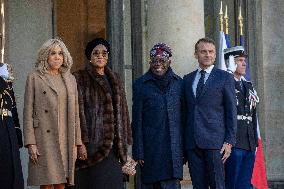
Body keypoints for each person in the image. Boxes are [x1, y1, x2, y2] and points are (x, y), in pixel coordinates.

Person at [70, 38, 132, 189]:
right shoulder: (79, 78)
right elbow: (77, 113)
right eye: (96, 53)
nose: (100, 56)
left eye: (104, 53)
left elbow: (123, 111)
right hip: (92, 146)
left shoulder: (115, 79)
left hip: (114, 148)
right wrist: (81, 143)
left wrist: (126, 141)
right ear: (89, 56)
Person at [23, 38, 83, 189]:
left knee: (61, 182)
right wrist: (31, 143)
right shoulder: (35, 77)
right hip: (43, 137)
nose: (57, 57)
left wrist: (77, 143)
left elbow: (76, 114)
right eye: (53, 53)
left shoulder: (70, 79)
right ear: (45, 56)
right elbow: (27, 111)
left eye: (60, 53)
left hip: (65, 137)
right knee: (47, 182)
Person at [183, 37, 237, 189]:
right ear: (196, 54)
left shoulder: (225, 77)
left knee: (217, 185)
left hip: (216, 143)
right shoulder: (187, 79)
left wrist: (229, 141)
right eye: (203, 52)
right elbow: (185, 113)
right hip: (193, 143)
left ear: (215, 55)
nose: (207, 55)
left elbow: (231, 111)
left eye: (211, 52)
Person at [132, 43, 184, 189]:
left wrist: (184, 150)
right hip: (150, 152)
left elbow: (184, 120)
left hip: (173, 153)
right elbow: (137, 121)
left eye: (162, 60)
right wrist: (139, 152)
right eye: (154, 61)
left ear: (169, 62)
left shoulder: (179, 83)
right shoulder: (141, 84)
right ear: (150, 62)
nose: (158, 64)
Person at [224, 46, 259, 189]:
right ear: (230, 63)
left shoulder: (248, 85)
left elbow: (253, 114)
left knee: (245, 184)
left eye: (244, 60)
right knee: (231, 183)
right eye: (239, 60)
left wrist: (255, 141)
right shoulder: (225, 83)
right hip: (233, 143)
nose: (244, 64)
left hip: (249, 142)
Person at [0, 63, 24, 189]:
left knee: (12, 175)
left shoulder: (3, 71)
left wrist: (16, 132)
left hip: (7, 126)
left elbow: (12, 106)